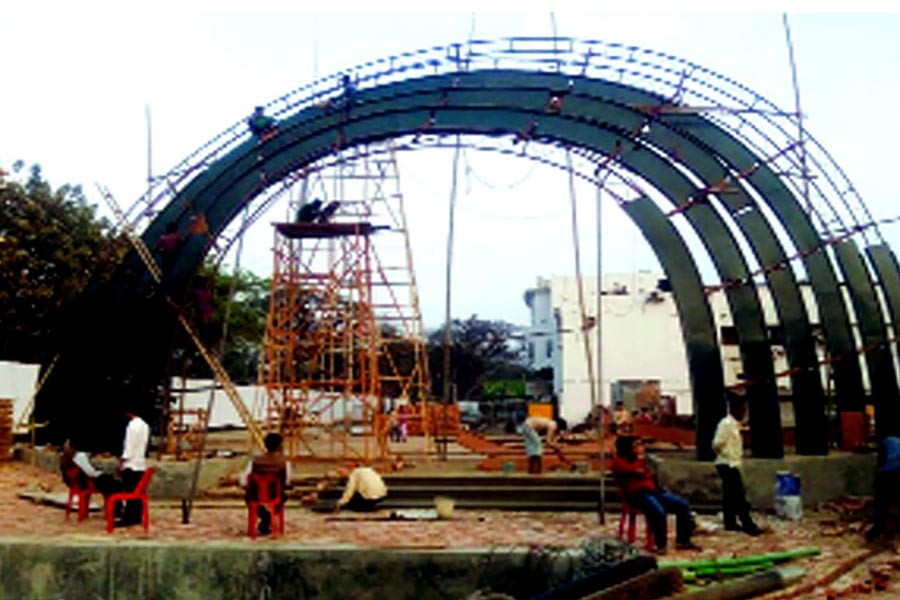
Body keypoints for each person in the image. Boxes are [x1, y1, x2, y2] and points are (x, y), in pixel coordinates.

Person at [611, 435, 700, 554]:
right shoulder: (619, 462)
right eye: (637, 445)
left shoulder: (641, 460)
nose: (641, 447)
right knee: (658, 511)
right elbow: (635, 472)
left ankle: (683, 540)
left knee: (681, 505)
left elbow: (649, 474)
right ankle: (660, 544)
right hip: (637, 495)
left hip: (652, 492)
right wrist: (641, 470)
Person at [712, 397, 763, 536]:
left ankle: (730, 522)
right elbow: (717, 443)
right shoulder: (726, 424)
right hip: (727, 463)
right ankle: (747, 524)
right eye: (743, 409)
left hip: (733, 462)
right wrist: (727, 454)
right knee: (738, 495)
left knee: (730, 495)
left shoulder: (735, 425)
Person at [240, 432, 290, 536]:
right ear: (280, 446)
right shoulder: (284, 462)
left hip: (254, 496)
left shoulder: (254, 461)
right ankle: (268, 518)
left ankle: (265, 518)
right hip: (274, 496)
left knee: (249, 498)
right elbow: (287, 481)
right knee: (283, 497)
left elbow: (243, 480)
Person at [117, 408, 150, 527]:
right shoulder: (145, 425)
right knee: (138, 492)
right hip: (140, 462)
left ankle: (129, 517)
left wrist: (122, 461)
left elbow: (129, 447)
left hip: (131, 464)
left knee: (130, 492)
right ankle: (137, 515)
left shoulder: (131, 426)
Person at [865, 435, 900, 542]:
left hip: (887, 474)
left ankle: (877, 530)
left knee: (881, 504)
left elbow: (881, 463)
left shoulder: (886, 441)